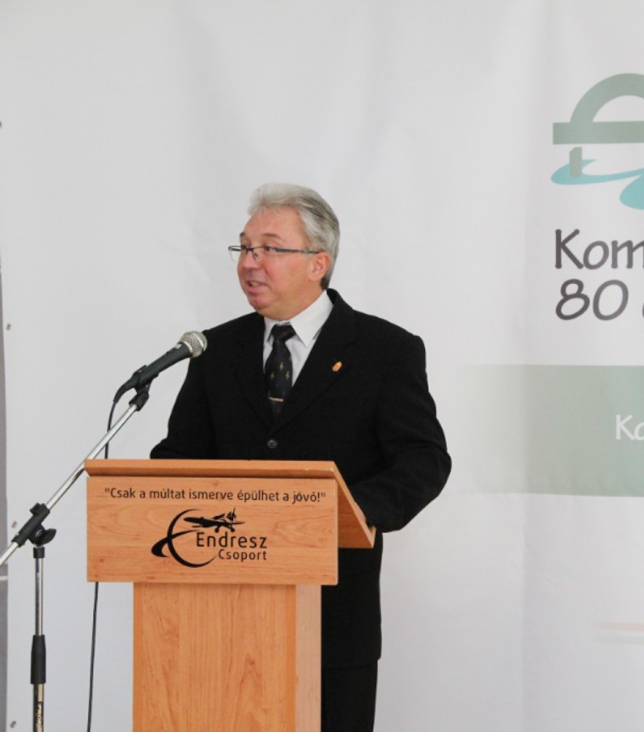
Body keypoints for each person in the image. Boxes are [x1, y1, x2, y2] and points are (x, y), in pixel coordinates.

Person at [151, 182, 451, 730]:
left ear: (318, 263)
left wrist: (349, 511)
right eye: (244, 247)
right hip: (219, 613)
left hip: (333, 615)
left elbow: (423, 458)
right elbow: (178, 456)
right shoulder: (215, 351)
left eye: (269, 248)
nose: (250, 263)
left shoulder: (384, 350)